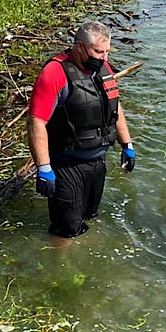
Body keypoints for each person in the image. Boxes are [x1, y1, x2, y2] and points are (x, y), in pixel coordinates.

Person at [27, 21, 136, 238]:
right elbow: (36, 122)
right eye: (97, 51)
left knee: (88, 219)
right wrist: (44, 168)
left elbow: (115, 106)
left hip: (97, 163)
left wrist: (127, 145)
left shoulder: (103, 69)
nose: (103, 57)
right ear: (79, 47)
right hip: (67, 165)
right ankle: (58, 265)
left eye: (107, 51)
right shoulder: (55, 74)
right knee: (66, 232)